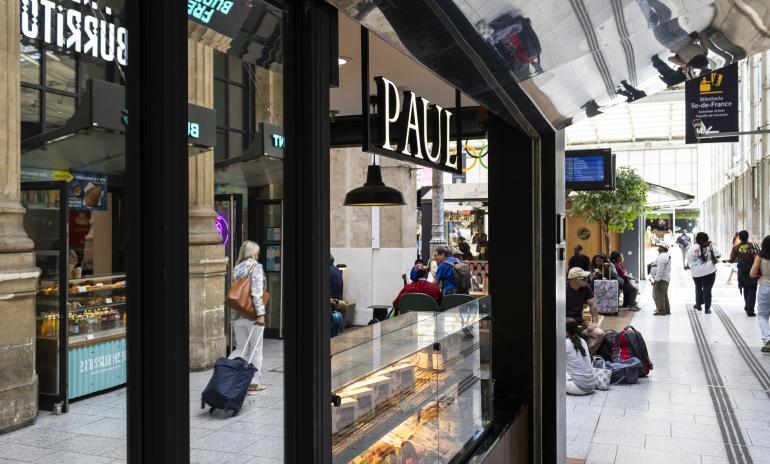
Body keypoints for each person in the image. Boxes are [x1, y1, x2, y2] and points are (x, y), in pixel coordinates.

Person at [230, 240, 267, 393]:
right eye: (257, 252)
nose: (258, 254)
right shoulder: (256, 267)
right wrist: (260, 314)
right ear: (253, 253)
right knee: (256, 349)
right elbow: (256, 293)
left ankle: (226, 371)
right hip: (252, 315)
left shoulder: (236, 268)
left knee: (240, 349)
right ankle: (254, 383)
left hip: (238, 315)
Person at [565, 267, 606, 354]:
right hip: (564, 324)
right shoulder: (563, 289)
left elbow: (593, 305)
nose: (586, 279)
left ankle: (586, 355)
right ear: (575, 279)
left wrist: (594, 322)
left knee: (600, 334)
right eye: (583, 278)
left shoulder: (585, 287)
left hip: (578, 323)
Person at [686, 232, 721, 314]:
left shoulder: (691, 248)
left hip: (696, 273)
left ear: (696, 239)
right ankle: (707, 309)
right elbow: (719, 255)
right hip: (709, 272)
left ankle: (698, 305)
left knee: (698, 288)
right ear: (707, 239)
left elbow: (688, 260)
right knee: (707, 290)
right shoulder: (710, 246)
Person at [729, 230, 761, 317]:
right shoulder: (752, 245)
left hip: (742, 270)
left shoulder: (736, 247)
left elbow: (732, 260)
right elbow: (759, 255)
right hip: (752, 269)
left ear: (739, 237)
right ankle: (750, 309)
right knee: (752, 288)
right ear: (748, 236)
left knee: (745, 287)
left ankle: (747, 306)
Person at [749, 235, 770, 353]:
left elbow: (752, 274)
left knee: (762, 315)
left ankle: (768, 339)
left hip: (765, 287)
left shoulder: (760, 257)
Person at [565, 317, 596, 396]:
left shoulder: (565, 343)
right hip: (591, 386)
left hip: (579, 388)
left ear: (566, 331)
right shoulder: (582, 341)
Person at [650, 243, 672, 316]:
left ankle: (661, 310)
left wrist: (656, 280)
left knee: (658, 295)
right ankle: (667, 310)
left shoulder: (663, 257)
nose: (658, 247)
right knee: (663, 295)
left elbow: (660, 270)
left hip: (662, 279)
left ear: (663, 248)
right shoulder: (664, 255)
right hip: (663, 279)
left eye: (659, 246)